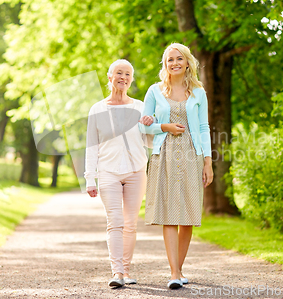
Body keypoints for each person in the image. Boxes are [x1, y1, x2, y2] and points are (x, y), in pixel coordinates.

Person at [139, 43, 213, 290]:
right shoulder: (155, 91)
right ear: (165, 64)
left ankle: (178, 269)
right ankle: (174, 272)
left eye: (179, 58)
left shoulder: (198, 92)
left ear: (187, 61)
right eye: (170, 59)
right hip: (165, 155)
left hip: (192, 155)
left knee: (188, 216)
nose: (174, 63)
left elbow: (203, 128)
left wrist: (208, 162)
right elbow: (143, 125)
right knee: (170, 215)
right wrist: (163, 126)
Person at [84, 59, 154, 288]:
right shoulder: (97, 109)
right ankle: (117, 273)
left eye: (127, 74)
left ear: (131, 79)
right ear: (109, 76)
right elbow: (91, 145)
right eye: (119, 73)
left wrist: (149, 124)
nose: (123, 77)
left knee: (130, 223)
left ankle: (125, 270)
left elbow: (149, 142)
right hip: (108, 172)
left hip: (136, 171)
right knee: (114, 221)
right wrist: (89, 178)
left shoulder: (140, 106)